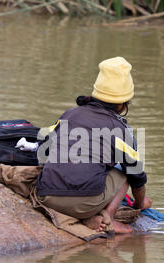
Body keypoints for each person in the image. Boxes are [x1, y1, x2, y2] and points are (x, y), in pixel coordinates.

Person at [36, 56, 151, 234]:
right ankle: (109, 219)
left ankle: (86, 215)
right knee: (126, 171)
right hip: (83, 205)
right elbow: (137, 176)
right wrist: (139, 204)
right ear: (122, 103)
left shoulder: (70, 114)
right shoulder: (121, 130)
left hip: (46, 197)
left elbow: (44, 145)